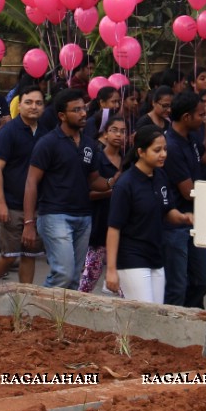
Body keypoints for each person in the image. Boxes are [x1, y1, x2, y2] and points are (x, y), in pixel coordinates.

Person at [22, 88, 111, 290]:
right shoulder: (48, 143)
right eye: (76, 110)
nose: (83, 113)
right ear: (62, 115)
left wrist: (113, 182)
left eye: (83, 108)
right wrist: (29, 222)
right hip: (54, 215)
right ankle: (40, 313)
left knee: (73, 278)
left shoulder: (89, 144)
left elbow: (93, 180)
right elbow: (31, 182)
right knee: (63, 272)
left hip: (84, 217)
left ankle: (61, 320)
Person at [105, 125, 191, 303]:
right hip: (132, 258)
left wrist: (184, 217)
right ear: (141, 152)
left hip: (156, 257)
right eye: (157, 150)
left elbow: (167, 211)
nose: (164, 154)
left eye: (165, 149)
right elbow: (114, 228)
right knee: (144, 315)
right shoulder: (125, 184)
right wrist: (111, 270)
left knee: (156, 313)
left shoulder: (160, 176)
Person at [0, 85, 46, 286]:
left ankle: (25, 296)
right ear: (19, 105)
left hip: (37, 205)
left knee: (30, 254)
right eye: (28, 102)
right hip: (11, 204)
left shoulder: (45, 133)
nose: (34, 107)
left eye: (38, 103)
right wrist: (0, 203)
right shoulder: (8, 133)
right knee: (10, 254)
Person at [162, 91, 206, 308]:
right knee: (177, 284)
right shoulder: (170, 146)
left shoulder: (191, 138)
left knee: (202, 281)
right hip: (177, 224)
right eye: (201, 115)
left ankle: (191, 316)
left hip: (195, 221)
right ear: (186, 117)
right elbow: (187, 191)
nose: (203, 118)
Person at [79, 115, 126, 292]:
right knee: (90, 275)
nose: (118, 135)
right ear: (105, 134)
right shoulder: (96, 157)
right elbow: (87, 193)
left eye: (123, 131)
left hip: (120, 223)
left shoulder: (126, 159)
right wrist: (111, 191)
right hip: (99, 221)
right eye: (114, 130)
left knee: (123, 278)